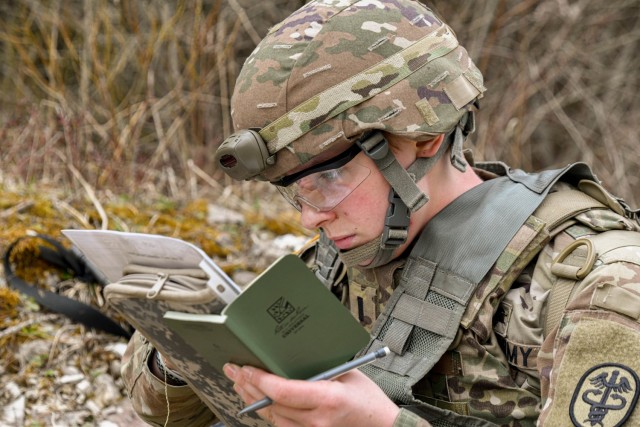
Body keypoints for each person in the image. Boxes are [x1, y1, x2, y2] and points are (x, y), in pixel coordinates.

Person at [121, 0, 640, 426]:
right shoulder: (341, 263)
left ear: (422, 136)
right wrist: (182, 349)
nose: (309, 219)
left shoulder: (599, 286)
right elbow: (164, 414)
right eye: (291, 190)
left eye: (327, 179)